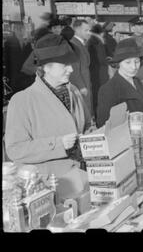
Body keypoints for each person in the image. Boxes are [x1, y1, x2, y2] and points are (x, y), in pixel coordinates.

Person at [5, 33, 92, 179]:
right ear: (46, 68)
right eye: (65, 65)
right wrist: (59, 144)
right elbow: (15, 149)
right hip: (50, 184)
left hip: (82, 175)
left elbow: (88, 126)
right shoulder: (22, 101)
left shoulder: (74, 91)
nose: (71, 69)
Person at [96, 38, 143, 131]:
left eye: (136, 61)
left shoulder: (137, 82)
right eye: (128, 62)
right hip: (125, 142)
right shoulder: (108, 89)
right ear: (118, 64)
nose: (133, 67)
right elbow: (103, 125)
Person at [69, 19, 93, 115]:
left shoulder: (81, 43)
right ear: (77, 30)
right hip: (81, 83)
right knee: (83, 108)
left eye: (89, 30)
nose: (89, 33)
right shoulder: (74, 45)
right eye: (86, 30)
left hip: (86, 79)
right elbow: (74, 68)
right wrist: (81, 86)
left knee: (86, 107)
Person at [88, 24, 110, 118]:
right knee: (101, 96)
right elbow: (101, 59)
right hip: (100, 73)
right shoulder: (97, 42)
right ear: (101, 33)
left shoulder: (89, 41)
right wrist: (109, 60)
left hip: (93, 73)